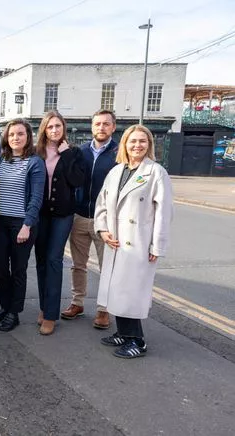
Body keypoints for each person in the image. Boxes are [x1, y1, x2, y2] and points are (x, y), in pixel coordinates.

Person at [95, 124, 173, 358]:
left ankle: (137, 341)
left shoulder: (156, 172)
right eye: (133, 141)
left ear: (149, 145)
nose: (137, 145)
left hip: (138, 242)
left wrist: (157, 245)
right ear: (125, 144)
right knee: (117, 290)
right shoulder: (116, 171)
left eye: (142, 141)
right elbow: (102, 203)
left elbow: (164, 212)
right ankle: (123, 333)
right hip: (115, 240)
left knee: (131, 292)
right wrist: (102, 229)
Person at [0, 119, 45, 332]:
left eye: (20, 134)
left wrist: (27, 225)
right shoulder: (0, 159)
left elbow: (36, 197)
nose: (15, 138)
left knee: (18, 269)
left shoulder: (35, 162)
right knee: (0, 268)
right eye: (11, 134)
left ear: (28, 137)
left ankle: (14, 312)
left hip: (22, 224)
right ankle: (4, 306)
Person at [62, 110, 119, 329]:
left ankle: (104, 309)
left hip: (106, 220)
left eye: (106, 124)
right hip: (79, 216)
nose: (101, 128)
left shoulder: (119, 152)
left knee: (107, 267)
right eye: (97, 124)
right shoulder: (81, 151)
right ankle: (77, 303)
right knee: (78, 265)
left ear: (113, 127)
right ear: (92, 126)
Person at [34, 111, 84, 335]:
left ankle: (51, 315)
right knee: (41, 261)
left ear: (63, 128)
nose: (54, 130)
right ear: (44, 129)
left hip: (63, 215)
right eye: (50, 127)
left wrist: (66, 155)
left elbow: (77, 180)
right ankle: (44, 306)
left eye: (58, 126)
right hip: (40, 214)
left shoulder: (73, 152)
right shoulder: (36, 152)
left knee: (54, 259)